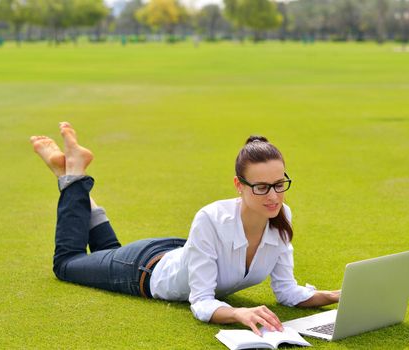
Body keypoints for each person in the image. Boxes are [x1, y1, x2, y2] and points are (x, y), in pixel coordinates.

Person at [30, 122, 340, 336]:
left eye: (279, 184)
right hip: (142, 270)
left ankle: (70, 174)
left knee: (107, 253)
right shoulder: (210, 218)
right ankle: (72, 175)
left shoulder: (281, 216)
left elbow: (287, 291)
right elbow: (202, 301)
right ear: (238, 186)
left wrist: (337, 295)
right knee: (68, 263)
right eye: (261, 187)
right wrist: (237, 313)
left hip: (177, 253)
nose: (273, 196)